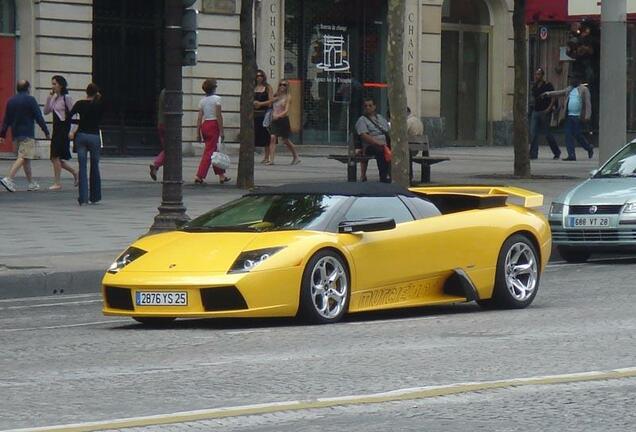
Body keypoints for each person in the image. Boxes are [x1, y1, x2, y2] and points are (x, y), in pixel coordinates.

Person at [0, 80, 50, 193]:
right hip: (27, 133)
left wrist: (2, 134)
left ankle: (31, 183)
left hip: (16, 133)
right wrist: (46, 131)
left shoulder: (11, 101)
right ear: (28, 88)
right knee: (23, 157)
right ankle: (9, 178)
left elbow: (6, 119)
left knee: (25, 159)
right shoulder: (30, 100)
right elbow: (39, 117)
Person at [542, 74, 594, 161]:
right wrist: (548, 94)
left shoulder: (584, 89)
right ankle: (571, 155)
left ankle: (589, 148)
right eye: (571, 79)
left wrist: (587, 116)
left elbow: (588, 103)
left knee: (578, 135)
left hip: (578, 117)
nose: (572, 81)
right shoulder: (569, 89)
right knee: (568, 135)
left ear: (578, 80)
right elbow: (559, 92)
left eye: (573, 79)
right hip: (569, 116)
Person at [69, 83, 104, 205]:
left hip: (81, 135)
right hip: (94, 136)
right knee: (95, 165)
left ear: (86, 92)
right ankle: (95, 196)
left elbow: (70, 116)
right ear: (96, 93)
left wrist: (77, 123)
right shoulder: (99, 105)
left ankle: (83, 198)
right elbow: (102, 118)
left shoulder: (80, 104)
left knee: (82, 167)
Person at [43, 75, 78, 190]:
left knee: (55, 156)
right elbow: (46, 111)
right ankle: (75, 172)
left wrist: (72, 130)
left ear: (61, 85)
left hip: (63, 129)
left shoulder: (66, 97)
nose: (53, 86)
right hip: (56, 129)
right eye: (52, 84)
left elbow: (74, 114)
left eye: (55, 84)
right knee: (55, 158)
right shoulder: (54, 97)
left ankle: (57, 182)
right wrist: (49, 98)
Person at [194, 78, 230, 184]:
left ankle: (221, 175)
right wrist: (222, 131)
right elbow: (219, 115)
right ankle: (199, 175)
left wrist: (197, 133)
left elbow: (199, 118)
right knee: (209, 152)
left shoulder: (202, 101)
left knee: (214, 151)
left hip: (205, 125)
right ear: (214, 88)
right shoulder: (217, 99)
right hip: (213, 125)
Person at [355, 98, 391, 183]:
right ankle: (384, 178)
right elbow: (364, 135)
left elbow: (388, 131)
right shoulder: (362, 120)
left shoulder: (381, 118)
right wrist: (377, 143)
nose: (368, 107)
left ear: (374, 107)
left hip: (385, 143)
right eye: (366, 106)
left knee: (403, 151)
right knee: (381, 151)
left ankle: (405, 176)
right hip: (370, 146)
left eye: (370, 105)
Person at [265, 80, 300, 165]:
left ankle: (296, 156)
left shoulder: (288, 97)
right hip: (274, 120)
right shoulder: (276, 95)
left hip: (283, 120)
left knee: (285, 140)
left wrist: (278, 115)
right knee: (273, 137)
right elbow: (271, 105)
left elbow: (286, 110)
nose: (282, 86)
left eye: (284, 85)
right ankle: (271, 159)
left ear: (287, 87)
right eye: (280, 84)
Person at [529, 68, 560, 160]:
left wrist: (549, 108)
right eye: (536, 74)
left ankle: (556, 152)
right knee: (533, 133)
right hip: (536, 111)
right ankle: (533, 154)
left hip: (545, 112)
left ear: (542, 75)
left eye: (538, 74)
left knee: (547, 134)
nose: (536, 76)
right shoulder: (534, 86)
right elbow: (534, 98)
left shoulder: (548, 85)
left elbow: (553, 97)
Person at [253, 70, 273, 163]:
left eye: (261, 76)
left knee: (265, 135)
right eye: (257, 76)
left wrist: (261, 104)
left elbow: (271, 101)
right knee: (254, 134)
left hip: (264, 113)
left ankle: (266, 156)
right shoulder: (253, 87)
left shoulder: (267, 88)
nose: (259, 77)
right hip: (254, 114)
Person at [149, 88, 165, 181]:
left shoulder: (163, 91)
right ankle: (155, 165)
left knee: (168, 149)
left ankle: (155, 167)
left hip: (161, 123)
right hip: (168, 124)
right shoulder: (170, 92)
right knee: (171, 150)